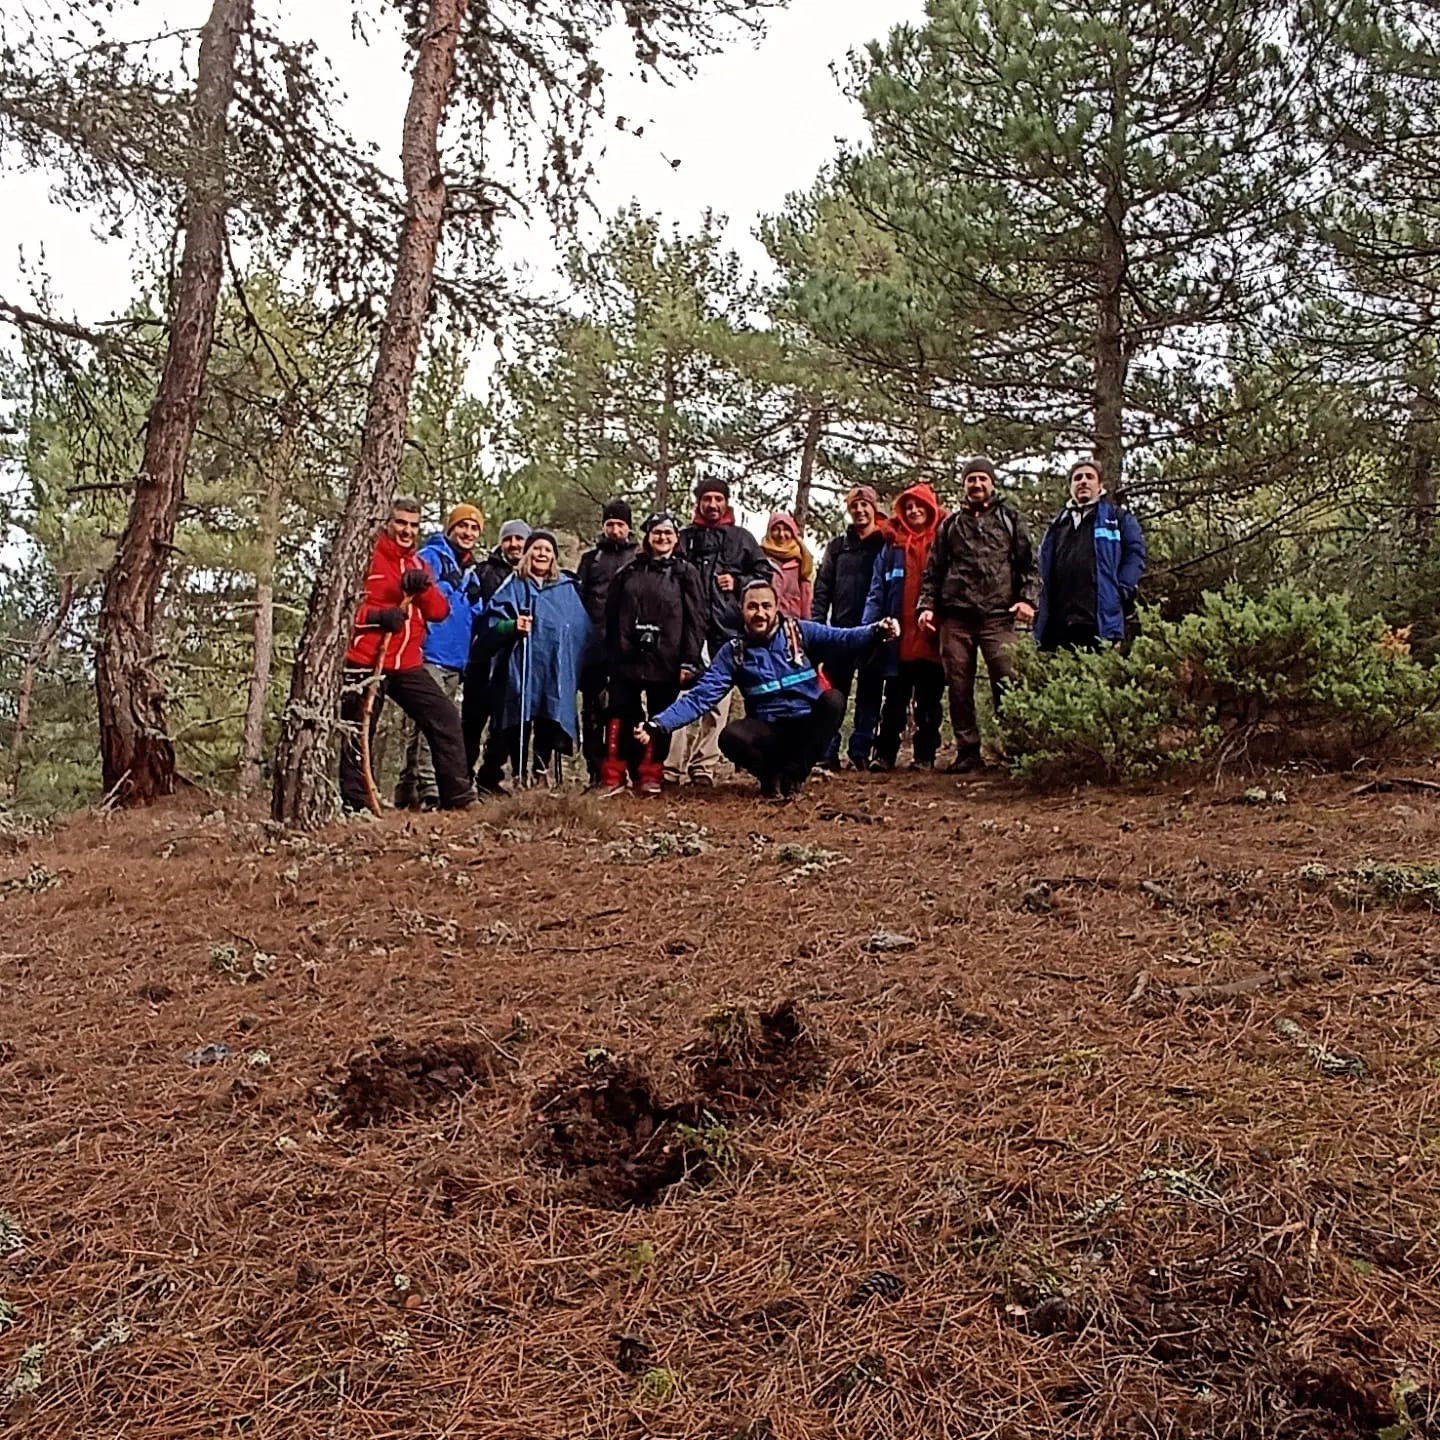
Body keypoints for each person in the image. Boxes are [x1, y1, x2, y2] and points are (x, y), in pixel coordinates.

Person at [640, 579, 900, 800]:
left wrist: (877, 631)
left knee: (833, 700)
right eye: (752, 607)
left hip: (805, 729)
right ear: (742, 610)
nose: (760, 613)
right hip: (768, 732)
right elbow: (700, 697)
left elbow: (843, 638)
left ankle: (794, 777)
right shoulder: (734, 652)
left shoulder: (799, 632)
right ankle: (771, 778)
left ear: (777, 608)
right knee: (730, 736)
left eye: (766, 606)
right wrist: (658, 724)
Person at [338, 497, 473, 813]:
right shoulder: (366, 558)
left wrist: (423, 588)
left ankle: (457, 799)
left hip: (406, 662)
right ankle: (356, 804)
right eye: (400, 522)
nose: (407, 530)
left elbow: (439, 612)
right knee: (358, 731)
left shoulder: (418, 565)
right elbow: (342, 611)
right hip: (366, 661)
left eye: (413, 525)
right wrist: (378, 617)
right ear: (387, 523)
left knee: (445, 717)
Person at [918, 455, 1039, 773]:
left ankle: (1017, 750)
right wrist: (927, 607)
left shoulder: (1010, 520)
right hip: (956, 618)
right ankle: (967, 752)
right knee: (958, 687)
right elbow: (934, 571)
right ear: (964, 484)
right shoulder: (950, 526)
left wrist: (1027, 600)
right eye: (971, 479)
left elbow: (1029, 564)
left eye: (982, 479)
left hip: (998, 617)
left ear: (991, 483)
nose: (976, 484)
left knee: (1008, 683)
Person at [600, 512, 706, 795]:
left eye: (668, 533)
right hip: (627, 657)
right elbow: (610, 616)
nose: (662, 538)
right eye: (656, 532)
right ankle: (615, 771)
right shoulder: (629, 572)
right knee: (620, 713)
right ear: (647, 536)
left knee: (659, 718)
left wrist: (690, 660)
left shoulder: (686, 573)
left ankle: (650, 773)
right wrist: (612, 653)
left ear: (676, 538)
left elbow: (696, 620)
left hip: (668, 658)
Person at [675, 476, 772, 786]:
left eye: (719, 499)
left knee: (718, 703)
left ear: (726, 502)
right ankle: (670, 765)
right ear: (698, 503)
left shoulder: (741, 538)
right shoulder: (684, 538)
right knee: (679, 697)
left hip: (726, 631)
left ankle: (703, 765)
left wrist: (738, 582)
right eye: (707, 499)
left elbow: (763, 576)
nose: (713, 505)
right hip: (687, 630)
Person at [477, 530, 591, 790]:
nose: (542, 554)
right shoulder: (513, 584)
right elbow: (490, 624)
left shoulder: (566, 588)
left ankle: (541, 770)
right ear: (528, 554)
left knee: (549, 715)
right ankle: (518, 774)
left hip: (553, 665)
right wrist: (512, 626)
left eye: (547, 550)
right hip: (520, 662)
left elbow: (580, 627)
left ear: (553, 557)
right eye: (537, 549)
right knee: (520, 715)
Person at [395, 503, 486, 810]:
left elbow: (473, 613)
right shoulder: (430, 558)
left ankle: (407, 791)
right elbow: (417, 597)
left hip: (456, 658)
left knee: (427, 724)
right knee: (434, 722)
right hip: (430, 652)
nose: (468, 533)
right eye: (463, 526)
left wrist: (476, 603)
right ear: (450, 528)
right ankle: (431, 790)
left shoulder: (471, 569)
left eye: (474, 528)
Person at [865, 481, 948, 771]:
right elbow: (877, 590)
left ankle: (924, 757)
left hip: (932, 638)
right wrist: (870, 628)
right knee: (894, 701)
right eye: (908, 507)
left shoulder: (943, 542)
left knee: (929, 703)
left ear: (930, 509)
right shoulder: (891, 548)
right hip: (898, 640)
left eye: (919, 506)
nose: (913, 511)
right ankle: (884, 755)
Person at [812, 485, 889, 771]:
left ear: (874, 507)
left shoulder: (884, 545)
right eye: (854, 506)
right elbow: (822, 589)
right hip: (840, 633)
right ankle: (827, 751)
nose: (859, 510)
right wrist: (818, 627)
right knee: (834, 695)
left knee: (870, 693)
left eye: (864, 505)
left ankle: (860, 751)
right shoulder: (837, 547)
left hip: (874, 632)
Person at [1035, 459, 1147, 651]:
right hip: (1060, 624)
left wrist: (1121, 590)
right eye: (1078, 478)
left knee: (1099, 677)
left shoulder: (1117, 519)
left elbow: (1134, 555)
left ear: (1100, 485)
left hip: (1099, 620)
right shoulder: (1057, 526)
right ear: (1070, 487)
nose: (1083, 482)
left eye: (1089, 477)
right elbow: (1042, 567)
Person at [575, 500, 639, 785]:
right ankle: (595, 769)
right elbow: (578, 601)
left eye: (620, 525)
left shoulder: (640, 557)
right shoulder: (591, 560)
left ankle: (629, 766)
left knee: (628, 710)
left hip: (629, 648)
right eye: (610, 524)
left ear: (629, 527)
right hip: (594, 646)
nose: (614, 530)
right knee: (592, 710)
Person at [462, 518, 530, 780]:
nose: (513, 544)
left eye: (519, 539)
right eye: (508, 539)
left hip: (514, 660)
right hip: (481, 658)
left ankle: (491, 777)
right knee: (472, 721)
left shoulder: (531, 576)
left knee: (505, 723)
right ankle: (462, 776)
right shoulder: (482, 572)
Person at [761, 511, 813, 620]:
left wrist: (806, 626)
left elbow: (806, 597)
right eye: (776, 529)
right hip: (764, 621)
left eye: (786, 529)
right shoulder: (759, 557)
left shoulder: (801, 560)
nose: (781, 534)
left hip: (792, 622)